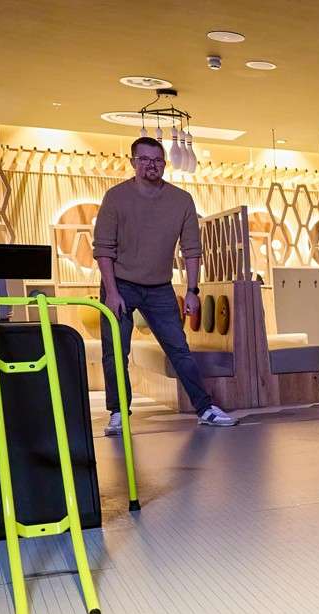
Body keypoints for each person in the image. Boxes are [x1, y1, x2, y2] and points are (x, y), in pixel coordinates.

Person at [93, 136, 238, 433]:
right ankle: (118, 412)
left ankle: (204, 408)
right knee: (115, 351)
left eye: (157, 160)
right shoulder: (116, 197)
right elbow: (103, 248)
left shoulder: (181, 200)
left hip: (160, 287)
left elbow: (192, 250)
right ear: (133, 162)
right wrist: (111, 292)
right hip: (119, 284)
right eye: (144, 159)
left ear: (164, 163)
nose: (151, 165)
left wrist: (193, 291)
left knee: (179, 349)